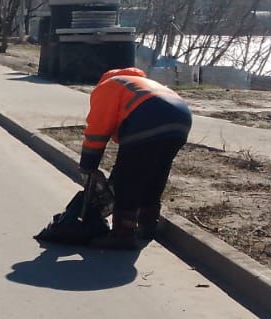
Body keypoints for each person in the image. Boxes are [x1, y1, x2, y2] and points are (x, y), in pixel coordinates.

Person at [77, 67, 192, 248]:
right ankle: (148, 226)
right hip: (181, 120)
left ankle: (122, 234)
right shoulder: (143, 84)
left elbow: (97, 131)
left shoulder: (108, 85)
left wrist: (88, 165)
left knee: (127, 178)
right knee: (155, 174)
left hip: (148, 117)